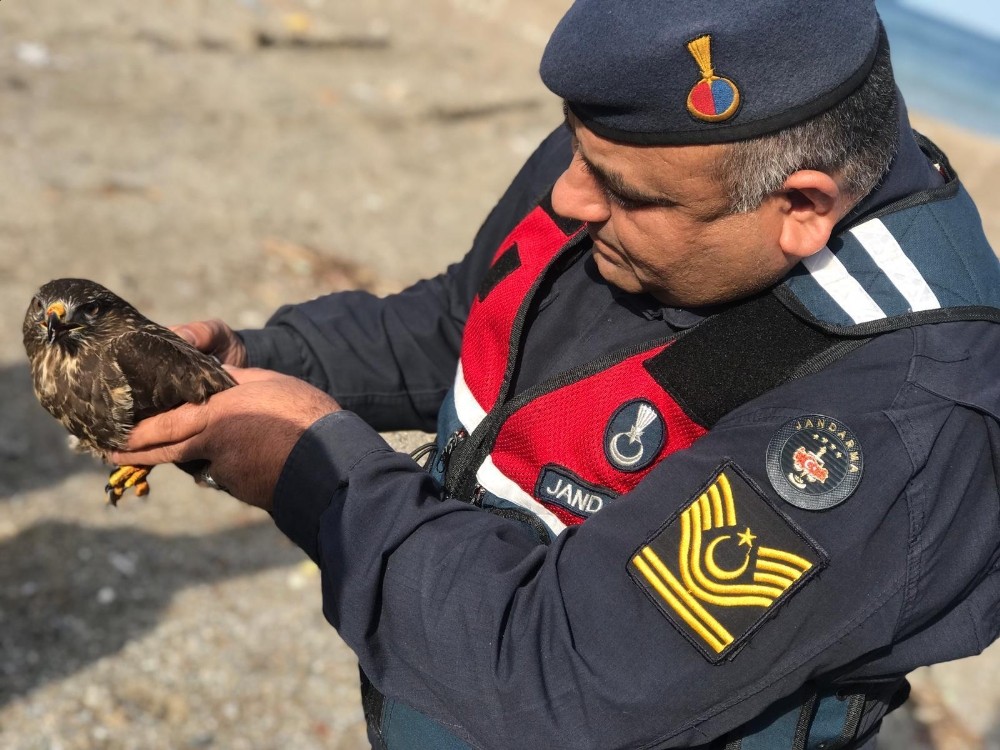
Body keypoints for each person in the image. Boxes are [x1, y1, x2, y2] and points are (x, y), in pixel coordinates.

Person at [114, 0, 1000, 747]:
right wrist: (255, 372)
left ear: (799, 207)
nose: (572, 197)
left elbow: (562, 669)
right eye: (578, 154)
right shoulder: (639, 147)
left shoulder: (902, 411)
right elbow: (468, 321)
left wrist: (310, 468)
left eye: (624, 194)